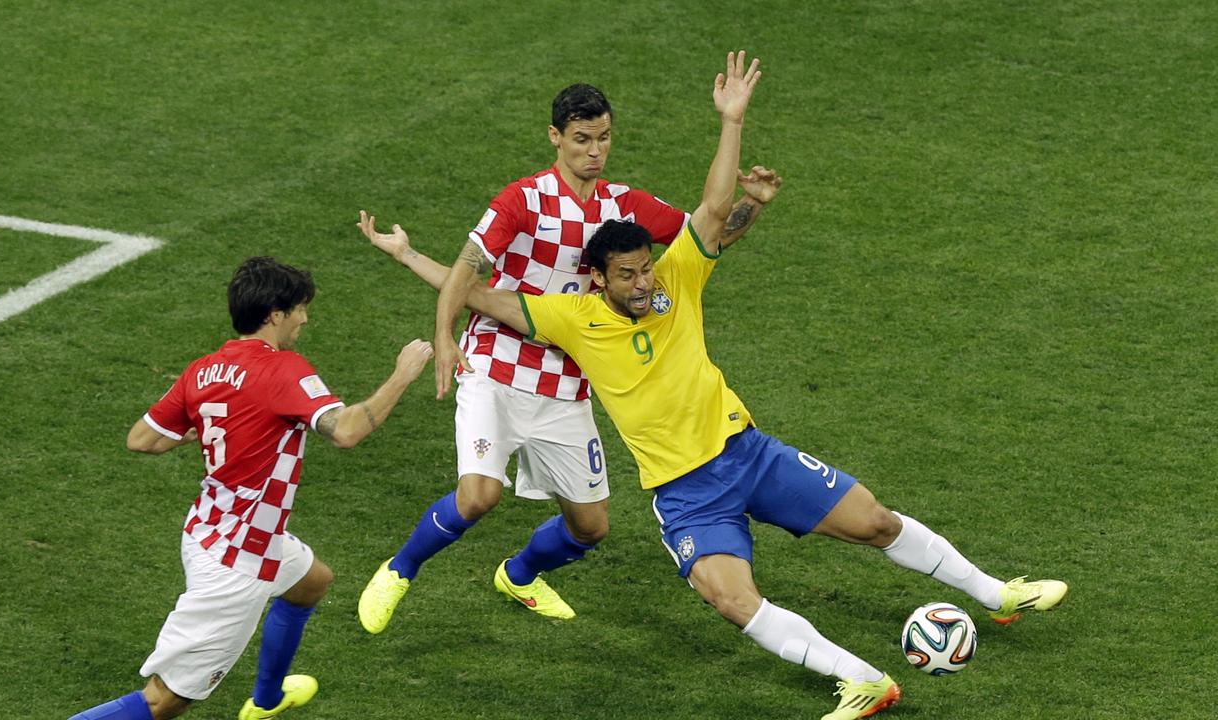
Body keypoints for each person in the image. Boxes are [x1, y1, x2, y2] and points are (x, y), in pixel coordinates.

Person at [364, 51, 1069, 720]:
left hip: (747, 453)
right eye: (630, 275)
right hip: (685, 493)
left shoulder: (677, 278)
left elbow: (709, 211)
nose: (645, 282)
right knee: (732, 599)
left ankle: (996, 593)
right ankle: (862, 680)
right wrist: (410, 258)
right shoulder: (569, 317)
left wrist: (732, 125)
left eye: (647, 267)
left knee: (874, 522)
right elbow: (480, 294)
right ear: (597, 280)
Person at [355, 61, 776, 633]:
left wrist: (753, 204)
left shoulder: (626, 205)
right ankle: (399, 570)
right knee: (478, 496)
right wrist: (444, 336)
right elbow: (468, 272)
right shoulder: (522, 202)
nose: (594, 151)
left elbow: (707, 233)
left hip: (566, 383)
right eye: (581, 139)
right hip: (497, 369)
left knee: (591, 527)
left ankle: (520, 575)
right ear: (556, 137)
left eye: (603, 138)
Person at [68, 257, 433, 720]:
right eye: (299, 309)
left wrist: (210, 426)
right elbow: (346, 431)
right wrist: (402, 374)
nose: (305, 318)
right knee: (164, 702)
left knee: (311, 581)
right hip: (237, 561)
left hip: (210, 528)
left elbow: (142, 440)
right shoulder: (282, 369)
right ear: (275, 314)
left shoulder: (204, 370)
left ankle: (266, 700)